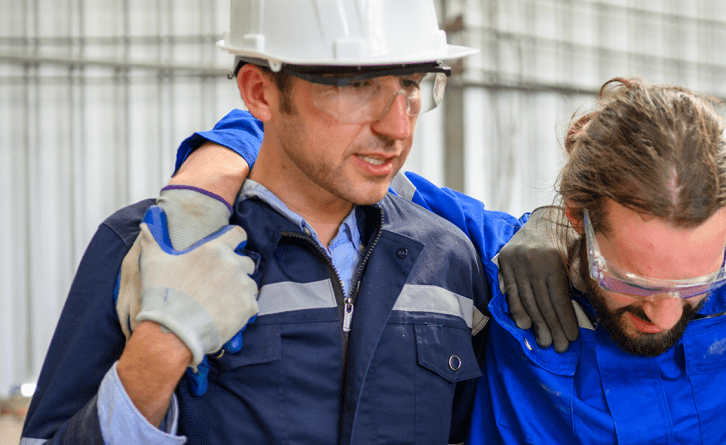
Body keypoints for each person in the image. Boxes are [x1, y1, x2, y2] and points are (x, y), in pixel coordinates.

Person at [19, 0, 491, 443]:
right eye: (355, 85)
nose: (398, 128)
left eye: (410, 85)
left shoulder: (447, 261)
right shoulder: (147, 251)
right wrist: (158, 352)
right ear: (260, 92)